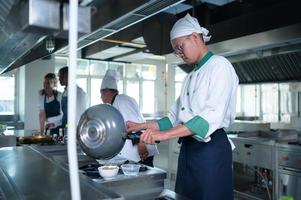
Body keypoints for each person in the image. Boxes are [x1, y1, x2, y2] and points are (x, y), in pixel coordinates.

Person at [127, 13, 239, 200]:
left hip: (210, 151)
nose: (180, 54)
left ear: (195, 37)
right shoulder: (190, 76)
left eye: (181, 47)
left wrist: (164, 135)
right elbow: (173, 117)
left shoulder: (219, 66)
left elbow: (209, 118)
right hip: (189, 150)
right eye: (176, 51)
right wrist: (142, 126)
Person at [100, 69, 158, 167]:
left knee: (144, 180)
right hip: (136, 153)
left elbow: (134, 125)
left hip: (141, 151)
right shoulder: (118, 102)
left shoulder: (121, 100)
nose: (100, 97)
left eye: (101, 93)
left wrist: (141, 143)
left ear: (106, 91)